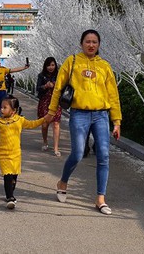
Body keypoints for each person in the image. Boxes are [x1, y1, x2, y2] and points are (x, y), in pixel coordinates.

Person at [45, 29, 121, 215]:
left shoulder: (104, 66)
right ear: (81, 43)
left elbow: (113, 95)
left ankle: (100, 198)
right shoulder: (72, 62)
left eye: (95, 42)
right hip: (79, 114)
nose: (91, 45)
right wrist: (51, 111)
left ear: (99, 45)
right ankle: (63, 181)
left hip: (101, 115)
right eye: (88, 41)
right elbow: (58, 89)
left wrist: (116, 120)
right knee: (78, 153)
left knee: (103, 155)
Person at [0, 97, 44, 209]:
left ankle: (10, 191)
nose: (1, 110)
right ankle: (10, 197)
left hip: (16, 154)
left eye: (5, 107)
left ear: (13, 110)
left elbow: (32, 124)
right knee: (7, 175)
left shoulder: (19, 120)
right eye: (1, 107)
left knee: (14, 176)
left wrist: (44, 119)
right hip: (3, 154)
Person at [37, 57, 62, 156]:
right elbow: (38, 88)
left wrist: (55, 84)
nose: (51, 67)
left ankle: (56, 148)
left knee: (56, 124)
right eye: (48, 65)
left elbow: (63, 86)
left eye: (52, 65)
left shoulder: (59, 75)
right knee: (44, 124)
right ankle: (45, 142)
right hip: (44, 102)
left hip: (56, 102)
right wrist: (45, 86)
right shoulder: (41, 76)